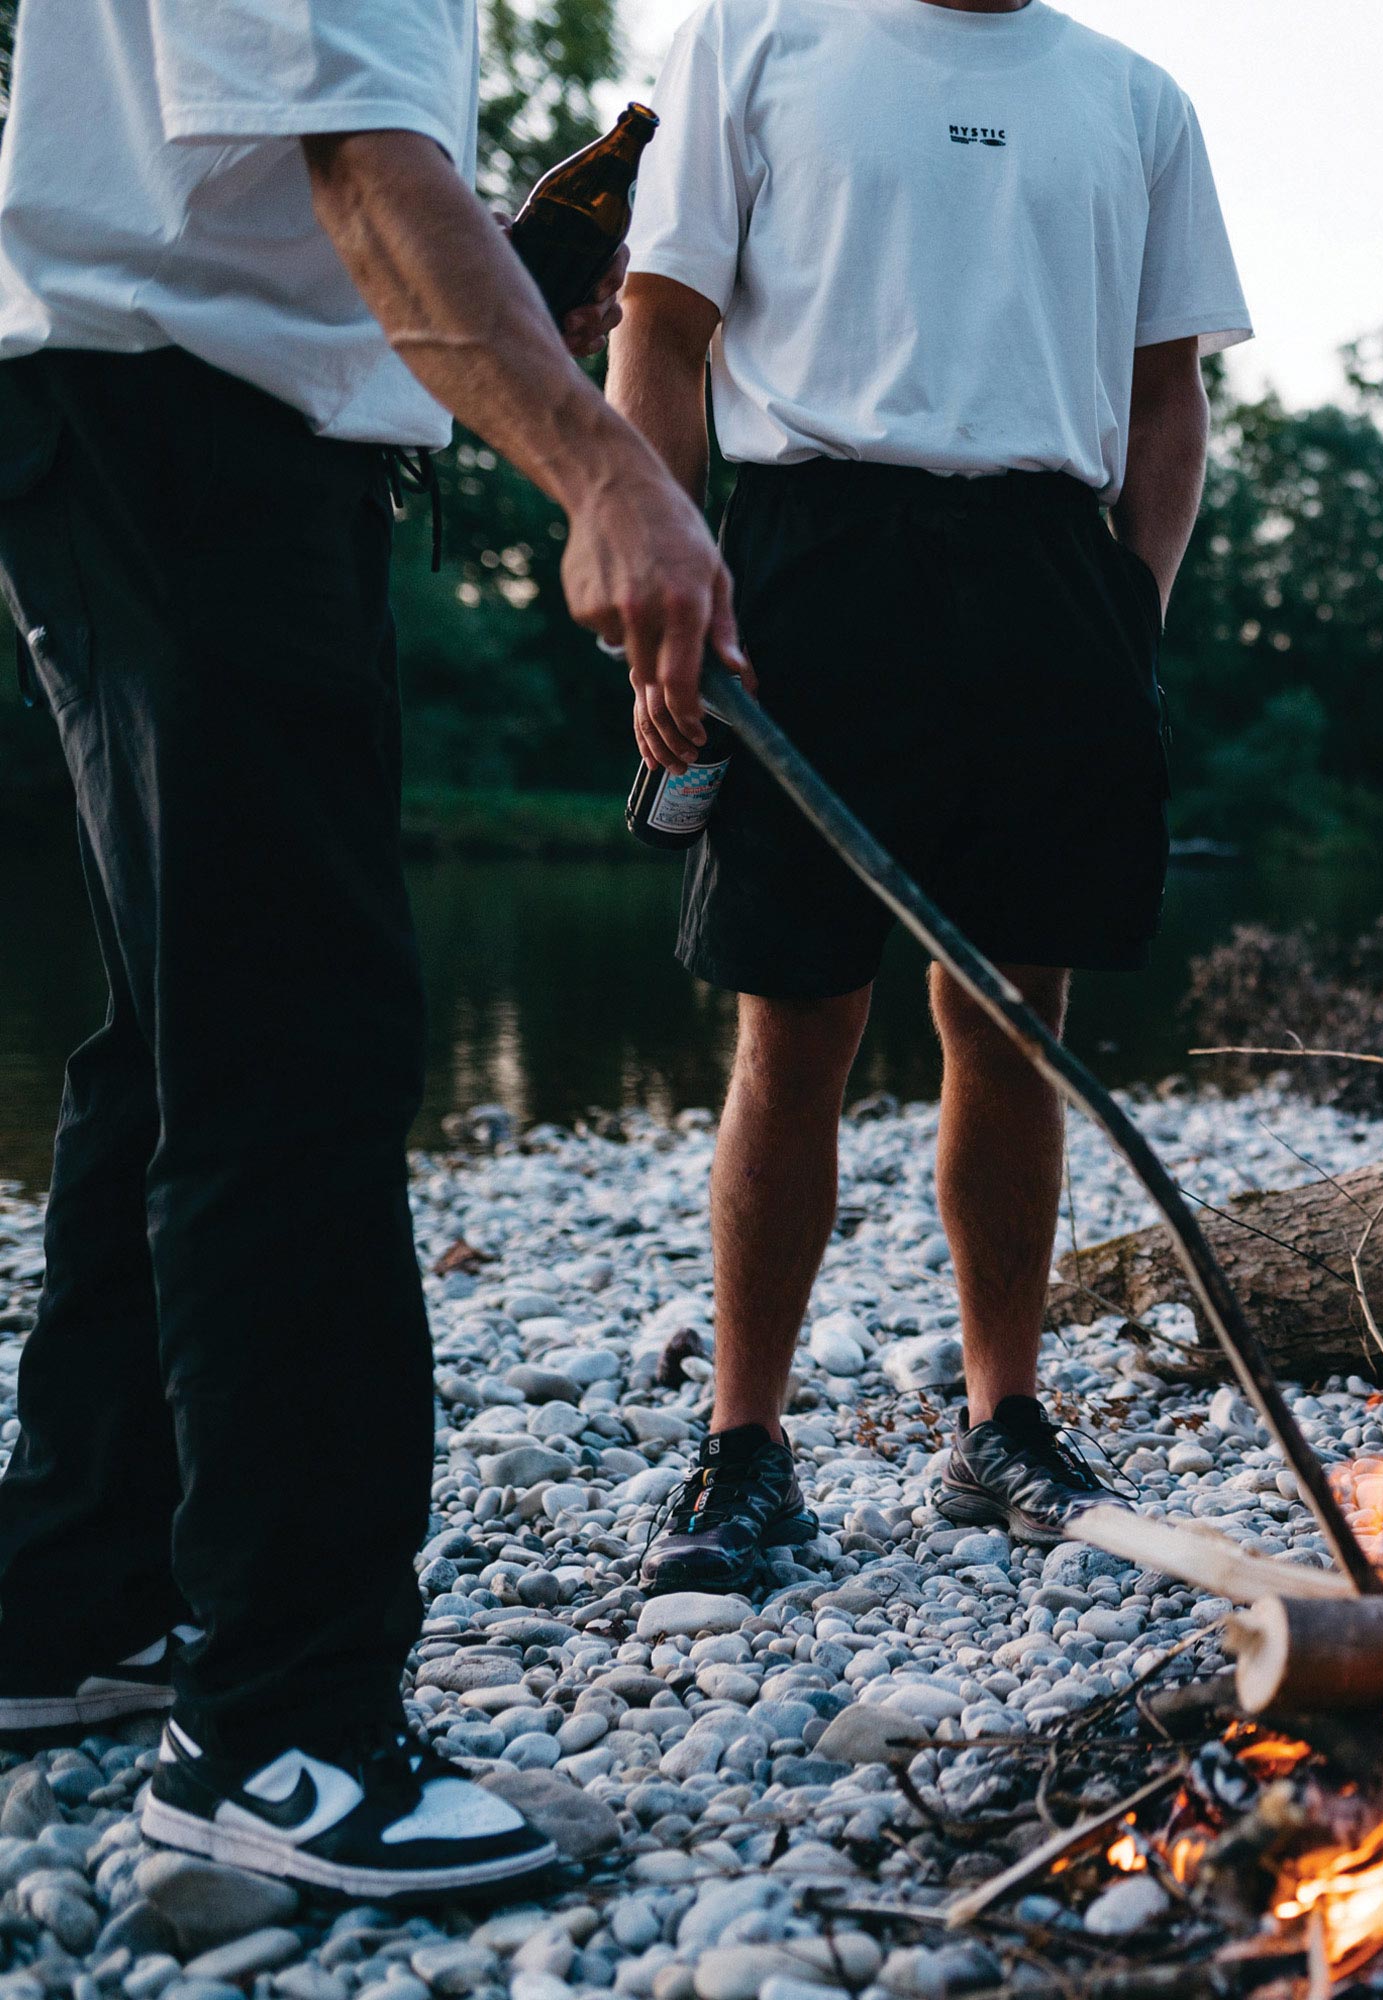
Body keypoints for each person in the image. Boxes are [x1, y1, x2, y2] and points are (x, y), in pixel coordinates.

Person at [0, 0, 738, 1893]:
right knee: (293, 1056)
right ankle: (284, 1738)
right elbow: (356, 169)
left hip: (169, 423)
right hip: (184, 432)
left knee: (182, 1041)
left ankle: (69, 1604)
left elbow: (302, 171)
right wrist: (607, 470)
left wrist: (517, 280)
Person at [608, 0, 1246, 1592]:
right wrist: (659, 583)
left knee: (1017, 1012)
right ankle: (744, 1449)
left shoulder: (1136, 99)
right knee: (795, 1015)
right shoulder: (754, 39)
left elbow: (1168, 399)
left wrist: (1129, 621)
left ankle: (1002, 1425)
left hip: (1052, 573)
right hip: (814, 559)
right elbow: (662, 330)